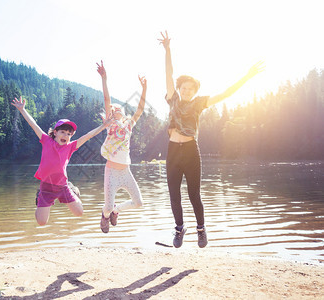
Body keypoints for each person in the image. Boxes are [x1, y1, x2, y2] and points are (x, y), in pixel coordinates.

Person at [158, 31, 264, 248]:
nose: (186, 91)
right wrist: (168, 50)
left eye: (190, 89)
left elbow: (226, 94)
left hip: (190, 151)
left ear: (196, 91)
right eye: (184, 88)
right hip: (172, 151)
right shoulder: (173, 99)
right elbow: (169, 75)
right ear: (179, 89)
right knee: (173, 194)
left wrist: (247, 76)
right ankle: (179, 229)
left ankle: (201, 229)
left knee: (194, 193)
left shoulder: (199, 103)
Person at [11, 96, 111, 226]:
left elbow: (88, 136)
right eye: (63, 132)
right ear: (55, 132)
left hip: (63, 186)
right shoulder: (46, 140)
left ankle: (72, 189)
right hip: (46, 188)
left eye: (69, 134)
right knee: (41, 222)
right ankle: (39, 197)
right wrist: (22, 110)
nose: (66, 136)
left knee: (79, 213)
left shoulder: (70, 147)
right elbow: (33, 124)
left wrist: (103, 126)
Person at [96, 61, 146, 233]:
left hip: (126, 171)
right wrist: (105, 78)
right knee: (107, 206)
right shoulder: (110, 125)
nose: (115, 109)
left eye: (119, 108)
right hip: (111, 171)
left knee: (138, 203)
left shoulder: (129, 125)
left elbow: (140, 109)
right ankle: (106, 214)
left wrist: (144, 89)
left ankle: (117, 211)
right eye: (113, 109)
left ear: (124, 114)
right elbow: (106, 99)